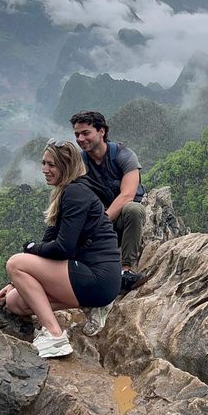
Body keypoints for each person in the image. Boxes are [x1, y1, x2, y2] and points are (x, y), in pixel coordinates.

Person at [0, 139, 121, 357]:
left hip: (99, 277)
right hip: (91, 278)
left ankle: (54, 336)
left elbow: (63, 249)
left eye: (51, 165)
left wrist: (30, 249)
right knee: (15, 302)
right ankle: (93, 307)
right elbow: (49, 244)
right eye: (43, 163)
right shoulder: (66, 194)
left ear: (66, 166)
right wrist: (14, 283)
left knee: (15, 263)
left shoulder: (75, 193)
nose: (44, 170)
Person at [70, 111, 148, 294]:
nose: (81, 139)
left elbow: (128, 195)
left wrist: (100, 224)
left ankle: (125, 271)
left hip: (118, 220)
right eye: (77, 135)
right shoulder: (79, 164)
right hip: (97, 222)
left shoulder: (124, 156)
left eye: (86, 133)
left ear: (101, 132)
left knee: (133, 209)